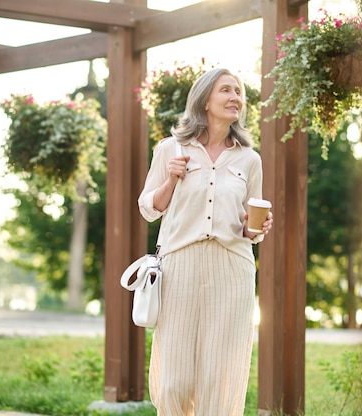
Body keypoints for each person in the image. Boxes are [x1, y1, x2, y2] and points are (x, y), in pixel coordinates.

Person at [138, 67, 273, 415]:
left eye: (239, 92)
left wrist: (256, 228)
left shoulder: (249, 158)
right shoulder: (171, 148)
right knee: (175, 376)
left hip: (232, 268)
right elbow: (148, 209)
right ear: (205, 100)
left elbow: (250, 227)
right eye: (226, 90)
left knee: (222, 371)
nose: (235, 98)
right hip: (180, 266)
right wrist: (171, 180)